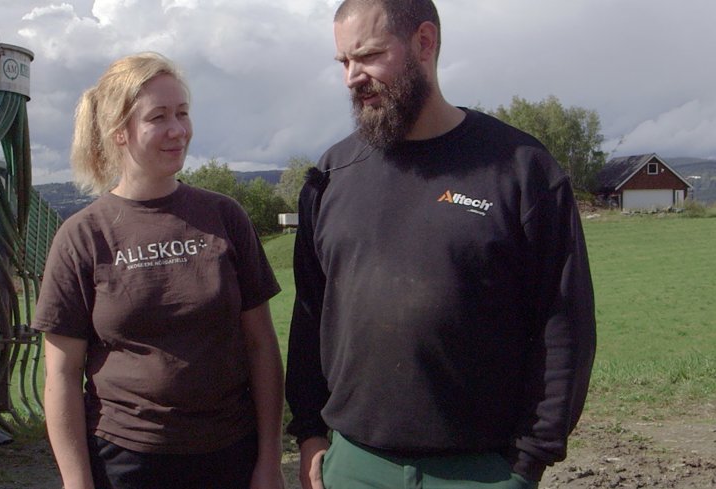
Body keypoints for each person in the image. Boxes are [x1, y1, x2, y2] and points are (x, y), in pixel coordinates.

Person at [285, 1, 597, 488]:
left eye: (367, 55)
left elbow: (564, 329)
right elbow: (309, 315)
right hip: (352, 466)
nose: (352, 77)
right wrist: (309, 433)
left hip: (481, 471)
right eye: (343, 62)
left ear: (424, 43)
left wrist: (526, 464)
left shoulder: (520, 169)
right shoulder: (330, 176)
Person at [33, 52, 286, 489]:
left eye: (183, 114)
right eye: (158, 117)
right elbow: (60, 374)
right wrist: (76, 481)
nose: (178, 130)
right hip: (125, 460)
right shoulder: (83, 236)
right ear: (119, 133)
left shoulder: (225, 217)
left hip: (229, 453)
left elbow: (261, 346)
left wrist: (268, 459)